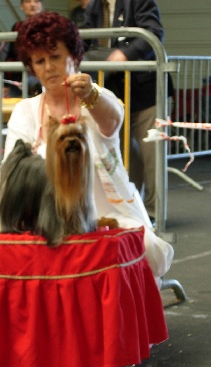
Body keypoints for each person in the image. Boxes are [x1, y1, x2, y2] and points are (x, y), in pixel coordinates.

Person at [3, 11, 173, 286]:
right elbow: (11, 171)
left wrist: (90, 94)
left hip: (108, 214)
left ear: (74, 56)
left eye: (55, 56)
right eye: (39, 61)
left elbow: (112, 120)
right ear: (31, 67)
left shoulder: (98, 99)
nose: (48, 67)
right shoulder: (25, 111)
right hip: (45, 218)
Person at [83, 0, 174, 223]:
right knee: (123, 158)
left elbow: (153, 33)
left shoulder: (139, 1)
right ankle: (133, 209)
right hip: (115, 93)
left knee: (152, 156)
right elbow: (83, 40)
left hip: (147, 92)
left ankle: (154, 215)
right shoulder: (94, 7)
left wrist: (123, 55)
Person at [5, 0, 43, 97]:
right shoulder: (17, 27)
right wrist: (5, 84)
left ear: (41, 5)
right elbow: (10, 55)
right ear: (21, 6)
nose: (32, 4)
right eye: (28, 1)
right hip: (17, 80)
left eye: (36, 1)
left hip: (41, 78)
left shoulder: (49, 27)